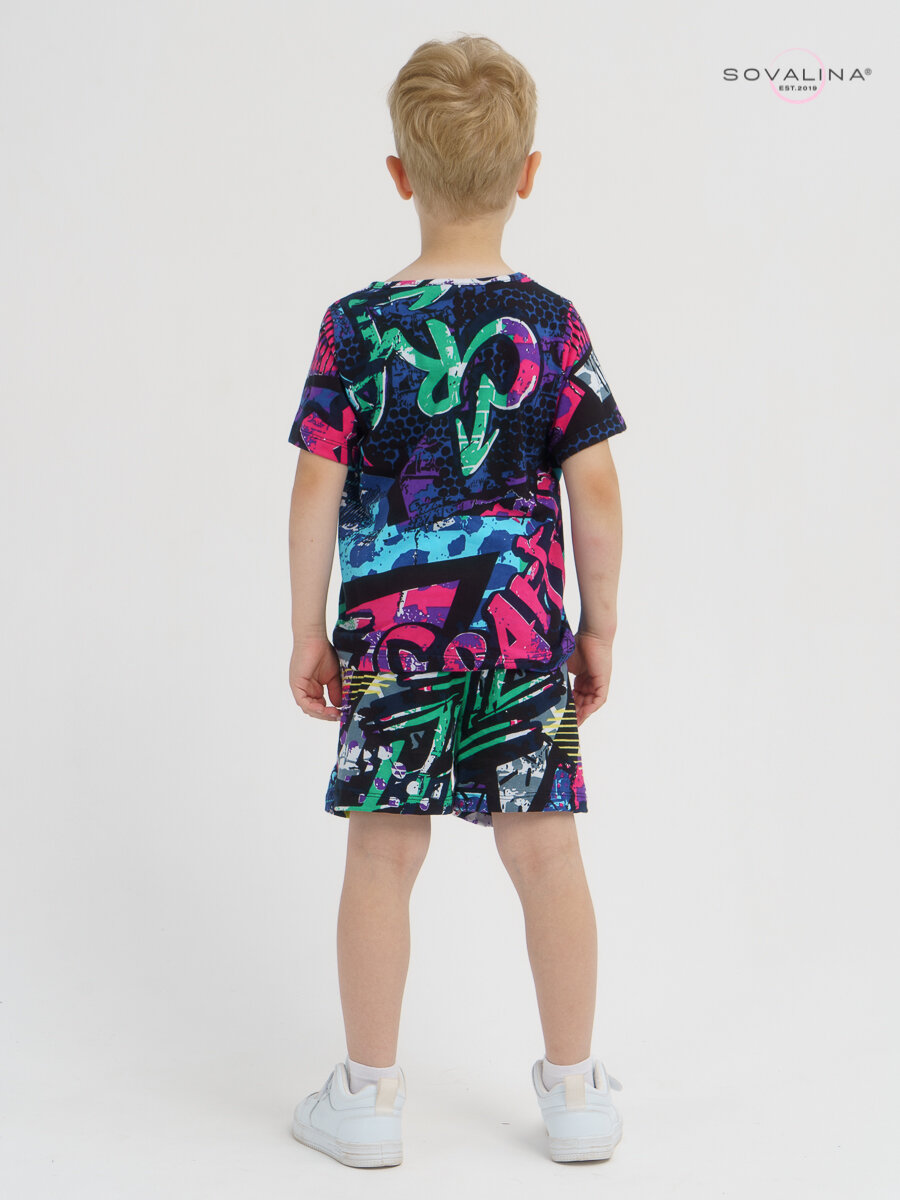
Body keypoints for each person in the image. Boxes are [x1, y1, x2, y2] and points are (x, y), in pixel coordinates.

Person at [287, 34, 626, 1168]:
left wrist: (307, 629)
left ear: (400, 174)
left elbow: (314, 491)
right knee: (548, 854)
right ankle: (576, 1095)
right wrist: (598, 626)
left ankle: (367, 1100)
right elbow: (597, 488)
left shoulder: (353, 327)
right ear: (529, 172)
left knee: (382, 857)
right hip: (522, 641)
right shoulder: (553, 326)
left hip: (391, 645)